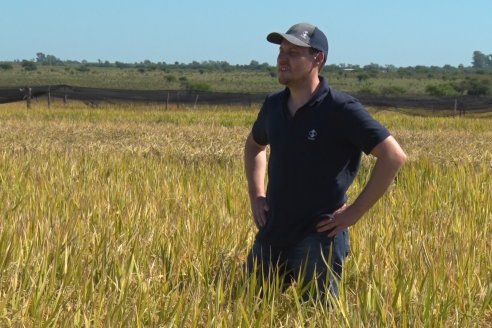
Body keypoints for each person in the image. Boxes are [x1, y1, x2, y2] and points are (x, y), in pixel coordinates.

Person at [244, 23, 407, 299]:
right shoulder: (273, 105)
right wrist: (257, 195)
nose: (282, 58)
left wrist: (354, 213)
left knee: (315, 315)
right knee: (250, 307)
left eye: (294, 53)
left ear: (318, 59)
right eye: (281, 51)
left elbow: (393, 156)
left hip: (319, 238)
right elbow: (254, 146)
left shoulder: (341, 109)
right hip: (273, 232)